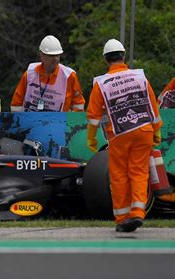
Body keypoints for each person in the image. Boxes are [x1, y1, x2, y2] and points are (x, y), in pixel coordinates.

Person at [86, 39, 163, 232]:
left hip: (120, 134)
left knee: (119, 175)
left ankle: (122, 218)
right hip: (144, 130)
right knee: (139, 172)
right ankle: (137, 213)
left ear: (106, 59)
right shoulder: (140, 78)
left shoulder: (102, 83)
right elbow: (152, 105)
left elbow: (94, 116)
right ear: (123, 56)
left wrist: (91, 138)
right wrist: (157, 130)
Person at [10, 35, 85, 112]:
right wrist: (19, 122)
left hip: (60, 123)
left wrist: (71, 123)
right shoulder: (30, 74)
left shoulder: (69, 76)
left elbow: (78, 105)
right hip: (30, 123)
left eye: (57, 55)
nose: (55, 59)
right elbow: (16, 103)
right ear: (42, 55)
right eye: (51, 56)